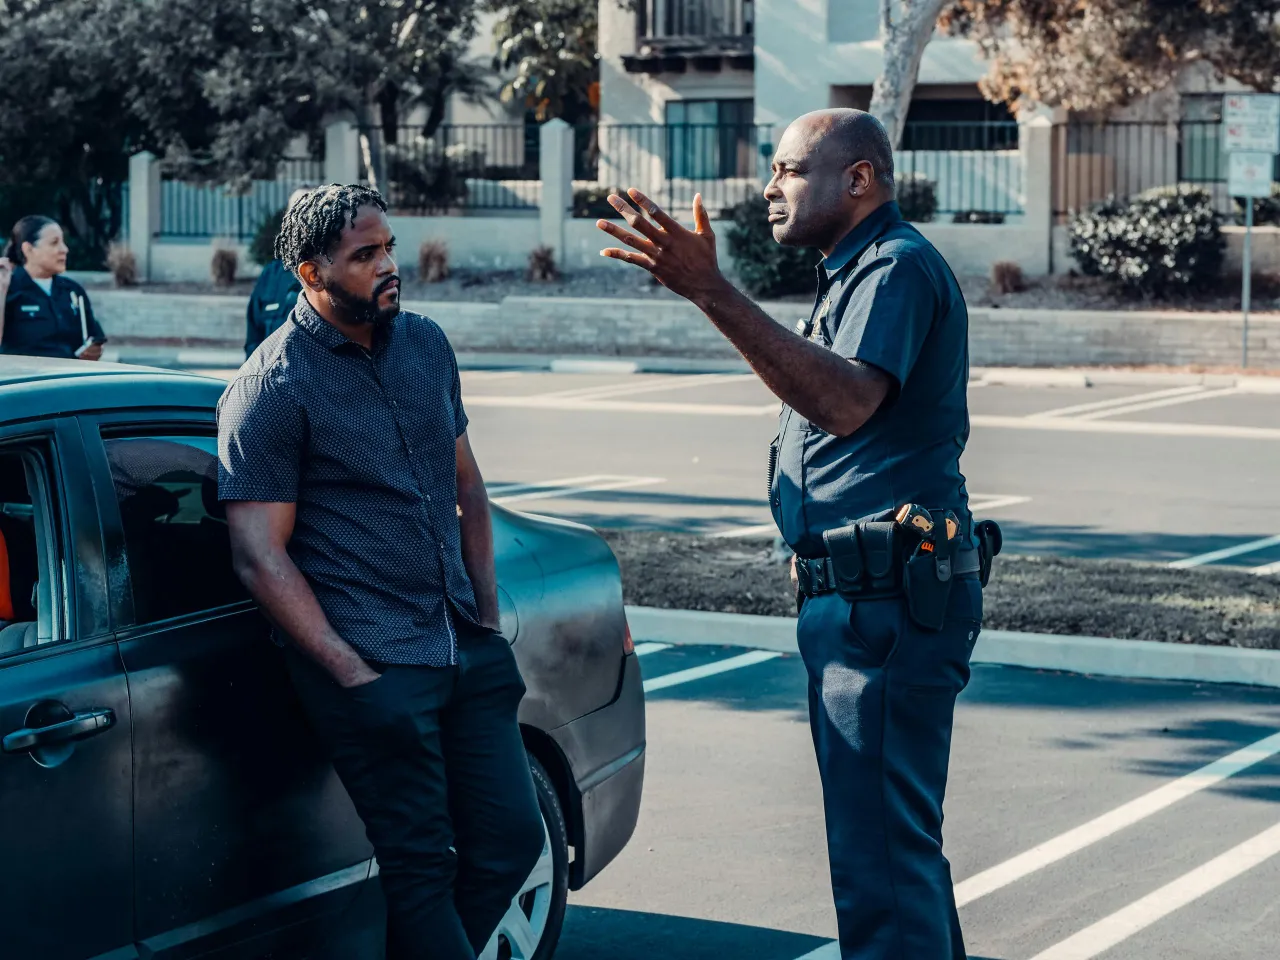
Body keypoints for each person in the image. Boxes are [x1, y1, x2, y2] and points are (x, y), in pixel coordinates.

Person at [596, 109, 984, 959]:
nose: (769, 187)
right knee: (890, 852)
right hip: (863, 599)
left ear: (859, 179)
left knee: (882, 862)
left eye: (788, 169)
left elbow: (844, 404)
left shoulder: (897, 267)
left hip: (886, 600)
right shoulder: (851, 272)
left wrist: (712, 289)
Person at [217, 183, 544, 960]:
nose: (388, 266)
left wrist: (488, 626)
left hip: (464, 644)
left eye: (389, 247)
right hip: (370, 661)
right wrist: (352, 676)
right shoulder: (271, 387)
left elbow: (466, 484)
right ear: (309, 272)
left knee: (510, 841)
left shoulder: (426, 344)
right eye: (365, 256)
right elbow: (258, 554)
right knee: (420, 865)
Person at [1, 215, 107, 360]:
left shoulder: (72, 291)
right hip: (25, 378)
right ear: (29, 249)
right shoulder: (8, 289)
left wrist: (94, 351)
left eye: (63, 242)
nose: (64, 249)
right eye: (54, 243)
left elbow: (93, 337)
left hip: (67, 378)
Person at [244, 188, 309, 358]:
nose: (302, 216)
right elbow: (253, 336)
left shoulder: (334, 273)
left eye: (308, 208)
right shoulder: (271, 275)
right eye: (295, 209)